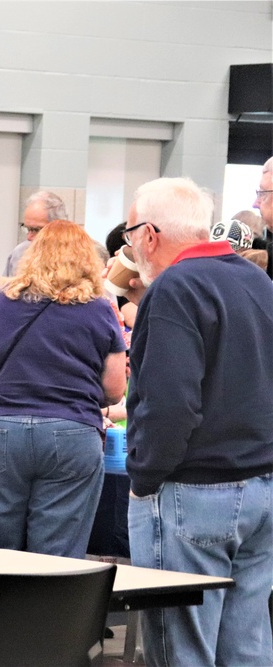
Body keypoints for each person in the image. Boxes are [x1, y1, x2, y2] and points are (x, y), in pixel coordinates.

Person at [123, 177, 273, 666]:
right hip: (260, 487)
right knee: (246, 646)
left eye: (128, 235)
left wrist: (145, 478)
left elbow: (170, 405)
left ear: (150, 234)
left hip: (194, 490)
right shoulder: (255, 279)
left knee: (180, 650)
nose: (130, 248)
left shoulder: (175, 288)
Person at [0, 220, 127, 559]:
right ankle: (48, 611)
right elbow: (114, 389)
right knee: (57, 553)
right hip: (72, 433)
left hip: (2, 429)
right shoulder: (99, 309)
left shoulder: (0, 301)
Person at [2, 190, 68, 276]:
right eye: (27, 229)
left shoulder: (80, 258)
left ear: (59, 227)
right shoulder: (19, 253)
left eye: (36, 230)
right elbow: (2, 288)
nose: (29, 237)